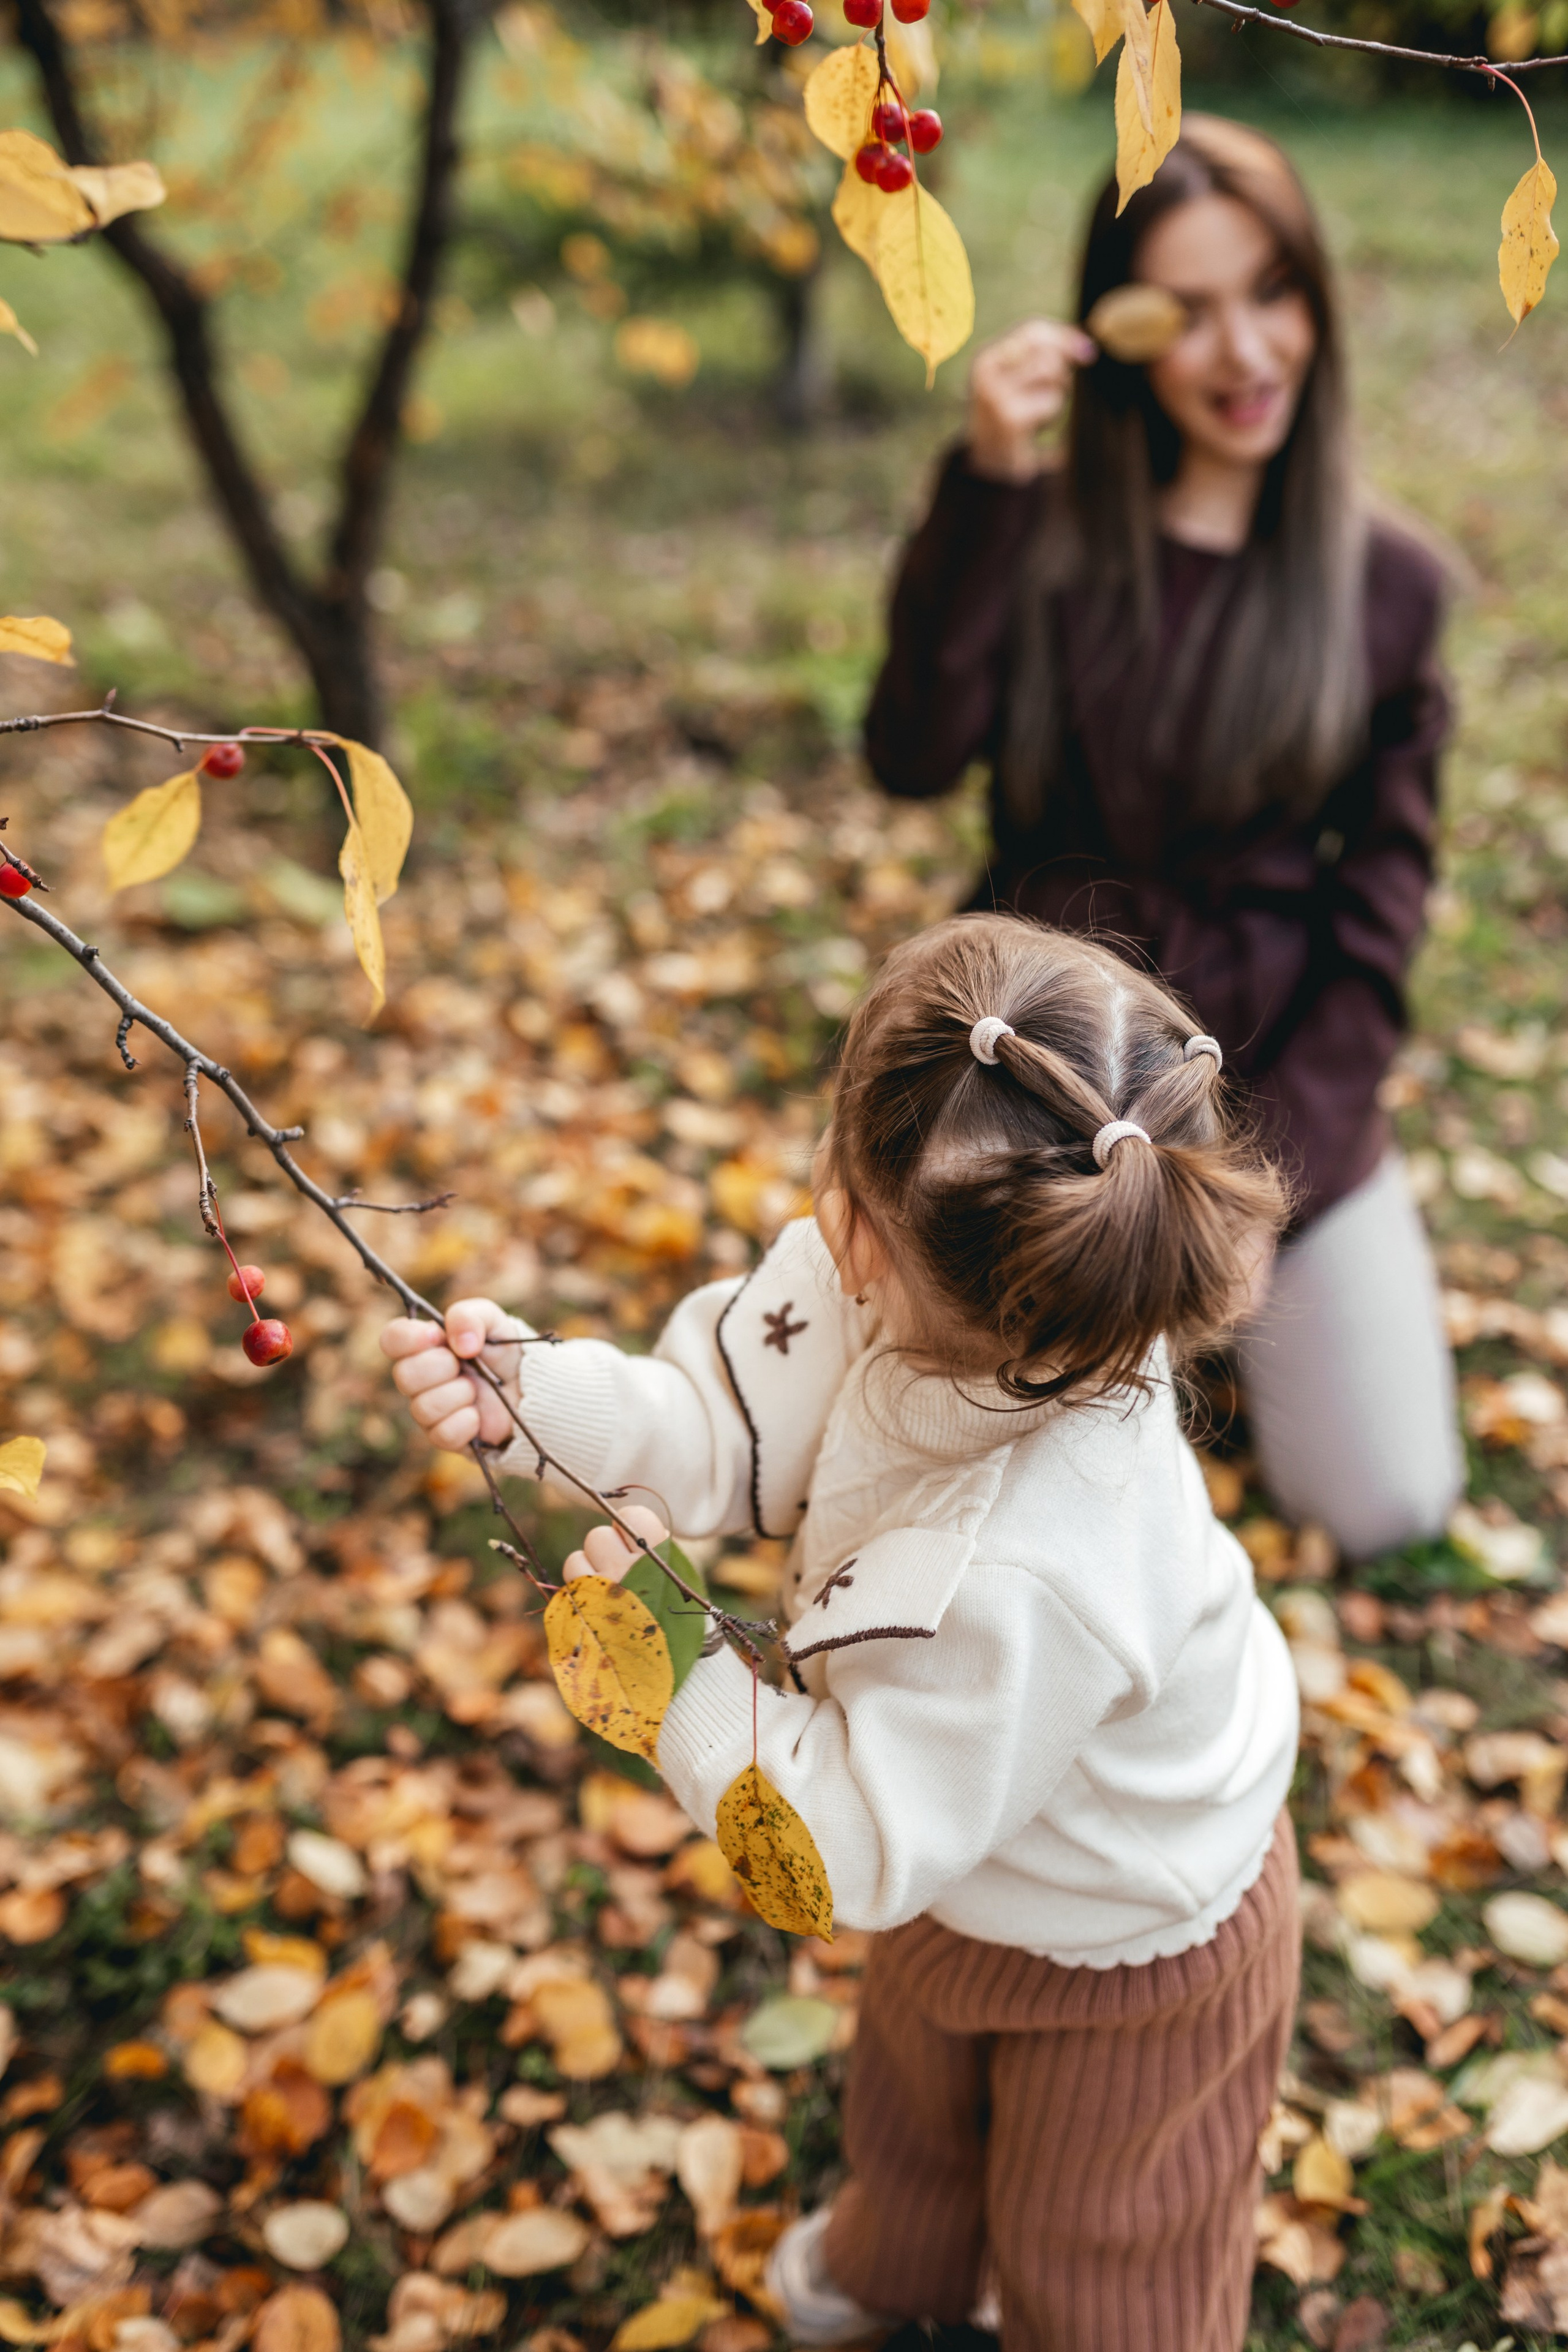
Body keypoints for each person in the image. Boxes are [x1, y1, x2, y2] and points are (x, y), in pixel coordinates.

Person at [382, 913, 1301, 2352]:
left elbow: (855, 1845)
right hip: (965, 1845)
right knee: (912, 2111)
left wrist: (682, 1677)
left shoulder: (1031, 1570)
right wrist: (539, 1403)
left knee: (1101, 2230)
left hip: (1136, 1929)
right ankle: (899, 2279)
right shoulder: (931, 1273)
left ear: (856, 1218)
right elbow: (724, 1423)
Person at [865, 116, 1463, 1562]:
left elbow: (1377, 911)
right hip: (1048, 1055)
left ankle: (1209, 1335)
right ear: (1118, 332)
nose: (1242, 351)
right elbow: (909, 756)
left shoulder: (1384, 589)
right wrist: (987, 485)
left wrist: (1278, 1182)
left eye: (1269, 291)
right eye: (1184, 312)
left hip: (1269, 1074)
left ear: (1314, 296)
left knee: (1384, 1502)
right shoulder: (1049, 533)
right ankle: (1157, 1337)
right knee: (953, 1476)